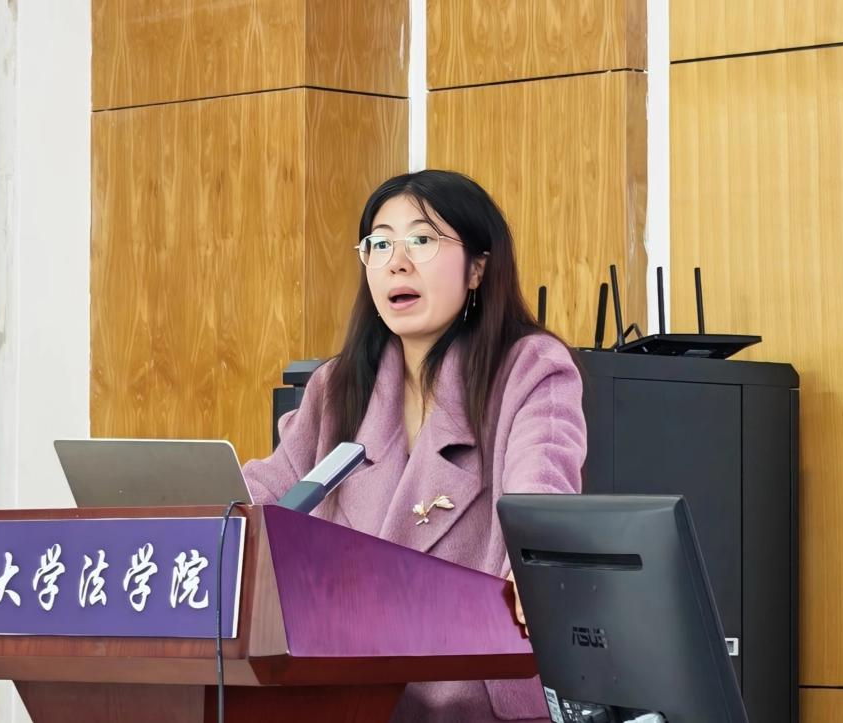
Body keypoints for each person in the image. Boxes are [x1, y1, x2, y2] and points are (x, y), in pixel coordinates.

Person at [242, 169, 586, 722]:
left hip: (474, 698)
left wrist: (535, 559)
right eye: (379, 244)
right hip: (348, 694)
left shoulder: (528, 368)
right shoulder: (338, 386)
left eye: (421, 240)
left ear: (477, 267)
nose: (396, 262)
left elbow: (543, 481)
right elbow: (268, 493)